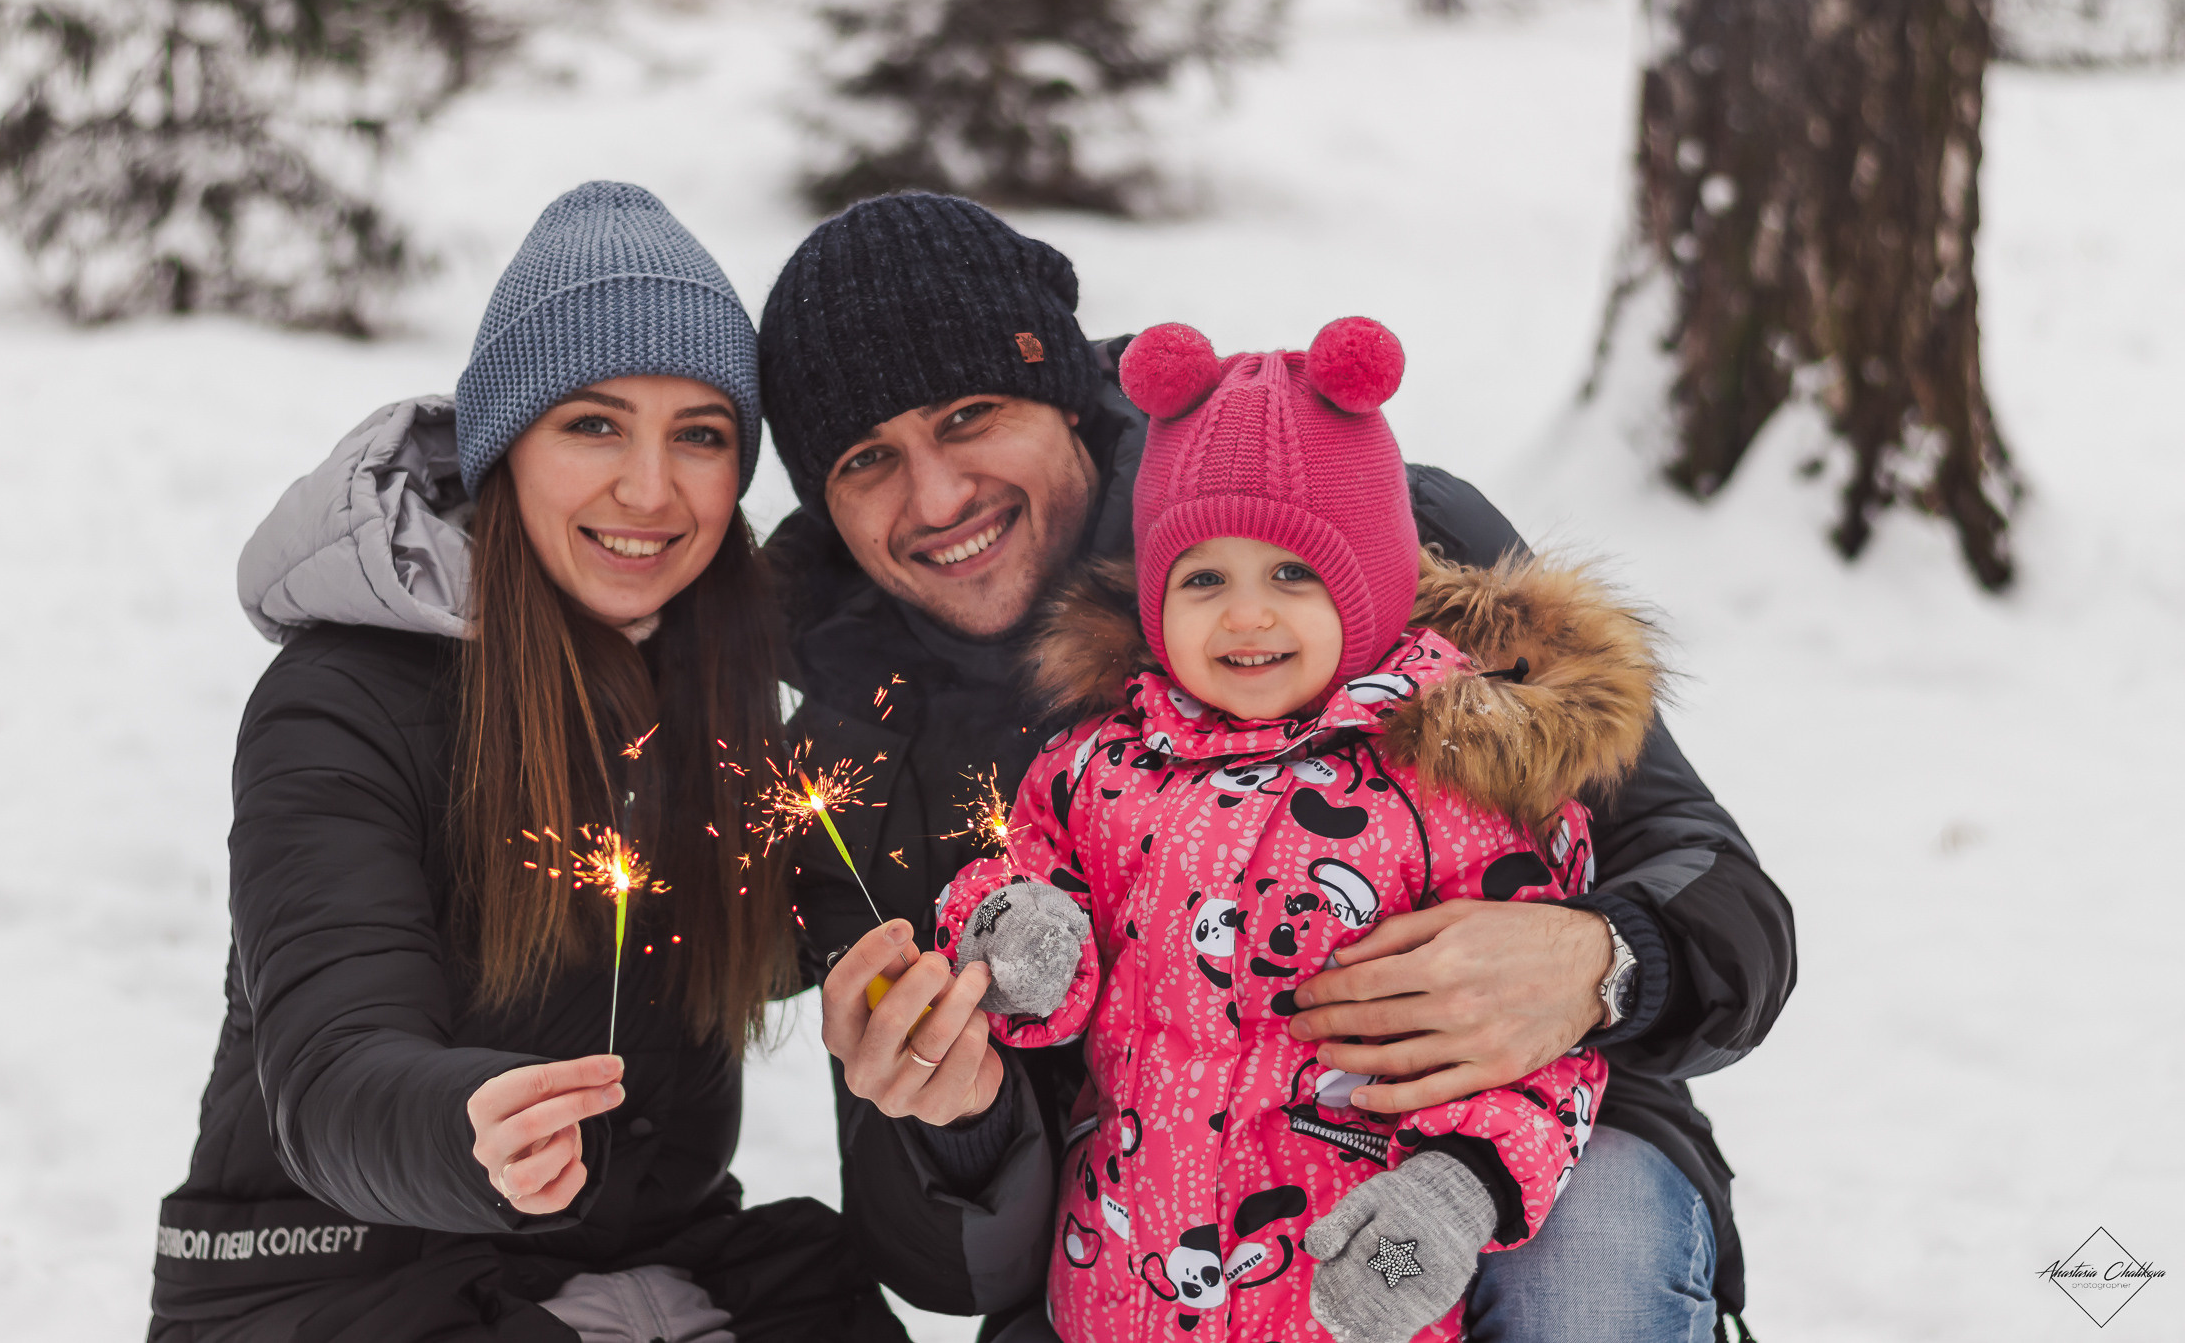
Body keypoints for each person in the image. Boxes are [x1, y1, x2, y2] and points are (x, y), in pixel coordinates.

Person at [756, 192, 1794, 1341]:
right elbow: (959, 1274)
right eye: (867, 459)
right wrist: (959, 1126)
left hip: (1511, 1144)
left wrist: (1599, 960)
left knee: (1583, 1295)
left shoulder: (1359, 523)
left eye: (970, 415)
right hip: (1144, 1234)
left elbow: (1726, 899)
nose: (938, 496)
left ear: (1063, 394)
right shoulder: (855, 763)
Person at [150, 183, 906, 1343]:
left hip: (648, 1256)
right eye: (594, 425)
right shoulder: (346, 701)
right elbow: (334, 1064)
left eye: (699, 435)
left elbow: (817, 910)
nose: (649, 489)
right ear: (505, 450)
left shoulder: (714, 675)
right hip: (338, 1285)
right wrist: (465, 1126)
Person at [935, 318, 1659, 1343]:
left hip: (1343, 1294)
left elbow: (1538, 1040)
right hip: (1120, 1292)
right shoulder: (1100, 767)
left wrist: (1456, 1194)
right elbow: (1021, 887)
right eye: (1204, 579)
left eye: (1292, 575)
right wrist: (1015, 940)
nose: (1244, 616)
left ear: (1374, 583)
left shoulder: (1459, 782)